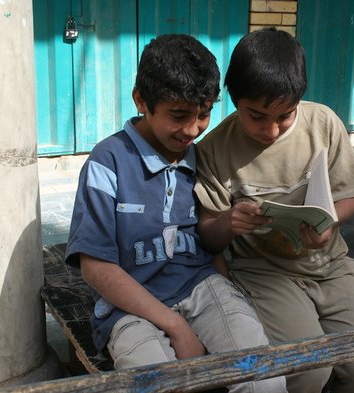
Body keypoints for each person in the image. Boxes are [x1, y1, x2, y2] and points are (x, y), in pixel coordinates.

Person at [64, 34, 286, 393]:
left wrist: (228, 296)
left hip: (200, 287)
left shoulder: (197, 155)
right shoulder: (108, 163)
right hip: (128, 308)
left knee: (263, 378)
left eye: (204, 114)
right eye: (179, 115)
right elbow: (95, 266)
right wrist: (176, 325)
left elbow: (206, 239)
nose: (192, 129)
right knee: (158, 384)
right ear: (141, 100)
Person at [194, 28, 354, 393]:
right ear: (233, 100)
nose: (271, 130)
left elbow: (349, 198)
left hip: (332, 267)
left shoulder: (323, 124)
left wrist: (330, 222)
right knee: (307, 370)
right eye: (256, 116)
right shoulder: (214, 149)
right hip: (265, 274)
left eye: (285, 116)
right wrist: (228, 222)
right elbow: (207, 233)